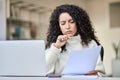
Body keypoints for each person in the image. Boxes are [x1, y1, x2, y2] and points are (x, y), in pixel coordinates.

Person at [45, 4, 105, 75]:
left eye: (71, 22)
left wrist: (95, 74)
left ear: (79, 23)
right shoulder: (54, 45)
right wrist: (56, 47)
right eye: (63, 23)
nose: (67, 27)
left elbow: (101, 74)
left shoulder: (90, 44)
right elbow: (43, 71)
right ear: (58, 26)